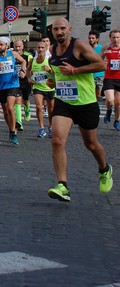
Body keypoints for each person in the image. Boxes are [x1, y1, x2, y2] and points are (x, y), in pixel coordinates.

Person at [45, 17, 112, 202]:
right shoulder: (52, 50)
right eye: (55, 29)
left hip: (85, 102)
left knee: (91, 144)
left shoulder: (79, 45)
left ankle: (104, 169)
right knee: (57, 140)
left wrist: (75, 71)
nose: (59, 32)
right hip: (64, 101)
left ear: (69, 29)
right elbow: (57, 72)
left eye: (62, 28)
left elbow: (101, 64)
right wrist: (53, 80)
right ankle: (62, 186)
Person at [0, 37, 26, 145]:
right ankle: (11, 129)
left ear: (6, 46)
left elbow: (23, 61)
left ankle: (13, 133)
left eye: (1, 45)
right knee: (5, 110)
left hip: (13, 84)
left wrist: (23, 70)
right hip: (1, 86)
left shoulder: (12, 54)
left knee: (10, 107)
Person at [27, 40, 55, 138]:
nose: (40, 49)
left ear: (46, 49)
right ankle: (41, 128)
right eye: (39, 48)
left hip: (49, 88)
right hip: (37, 87)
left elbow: (56, 73)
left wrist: (50, 70)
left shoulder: (50, 60)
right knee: (39, 107)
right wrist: (29, 79)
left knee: (51, 109)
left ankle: (51, 127)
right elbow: (28, 70)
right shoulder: (32, 60)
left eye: (42, 48)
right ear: (36, 49)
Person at [13, 40, 34, 130]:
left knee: (25, 100)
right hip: (15, 81)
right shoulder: (12, 55)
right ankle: (19, 122)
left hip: (25, 81)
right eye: (16, 46)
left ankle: (27, 108)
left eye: (19, 46)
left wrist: (26, 73)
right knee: (17, 100)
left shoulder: (27, 55)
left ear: (22, 46)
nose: (17, 48)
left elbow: (32, 68)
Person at [102, 29, 120, 130]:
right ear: (110, 38)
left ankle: (117, 120)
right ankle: (108, 111)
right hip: (109, 77)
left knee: (118, 102)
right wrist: (103, 63)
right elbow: (98, 60)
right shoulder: (106, 48)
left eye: (118, 37)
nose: (116, 39)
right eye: (113, 37)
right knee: (110, 99)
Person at [88, 31, 105, 99]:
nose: (91, 40)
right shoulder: (86, 48)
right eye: (89, 38)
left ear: (97, 39)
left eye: (93, 38)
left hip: (99, 74)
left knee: (97, 95)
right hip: (89, 74)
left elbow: (103, 60)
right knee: (90, 93)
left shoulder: (101, 48)